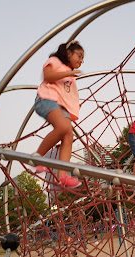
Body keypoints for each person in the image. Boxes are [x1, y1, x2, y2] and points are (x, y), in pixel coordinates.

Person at [32, 40, 84, 188]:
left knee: (68, 135)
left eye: (83, 58)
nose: (81, 60)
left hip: (61, 107)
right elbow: (47, 76)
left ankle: (62, 176)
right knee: (62, 128)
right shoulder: (55, 61)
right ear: (68, 53)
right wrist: (69, 72)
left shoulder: (70, 74)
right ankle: (38, 157)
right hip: (47, 100)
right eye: (79, 56)